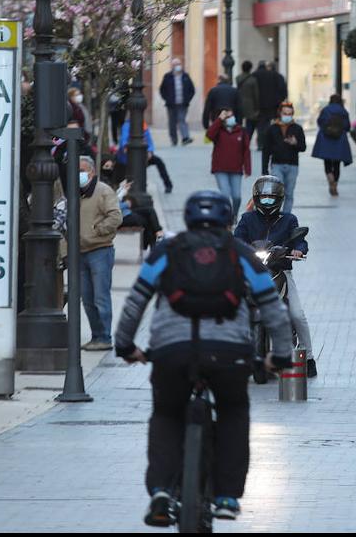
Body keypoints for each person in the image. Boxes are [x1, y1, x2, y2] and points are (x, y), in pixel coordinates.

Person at [114, 190, 294, 526]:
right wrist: (280, 355)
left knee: (167, 415)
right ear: (228, 220)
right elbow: (272, 306)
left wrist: (126, 346)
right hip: (231, 354)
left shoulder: (167, 251)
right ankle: (226, 495)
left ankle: (161, 493)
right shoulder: (240, 254)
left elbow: (136, 301)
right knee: (233, 413)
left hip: (171, 351)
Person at [234, 176, 316, 377]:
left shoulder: (289, 219)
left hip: (281, 272)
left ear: (279, 199)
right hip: (252, 273)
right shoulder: (247, 219)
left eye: (272, 198)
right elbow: (237, 239)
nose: (268, 201)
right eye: (264, 198)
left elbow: (300, 241)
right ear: (256, 198)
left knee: (297, 314)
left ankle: (309, 357)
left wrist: (298, 250)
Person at [68, 158, 121, 350]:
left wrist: (96, 231)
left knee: (100, 296)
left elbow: (115, 216)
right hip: (81, 252)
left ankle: (105, 337)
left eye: (81, 170)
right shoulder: (75, 193)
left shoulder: (103, 191)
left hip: (100, 250)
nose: (78, 174)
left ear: (90, 172)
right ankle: (96, 336)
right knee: (88, 299)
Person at [261, 102, 306, 213]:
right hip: (277, 165)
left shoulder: (297, 128)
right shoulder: (272, 129)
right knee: (277, 193)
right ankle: (275, 216)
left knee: (289, 193)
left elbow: (303, 147)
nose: (287, 115)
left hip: (292, 165)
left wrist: (295, 143)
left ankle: (286, 218)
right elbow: (266, 150)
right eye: (285, 113)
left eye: (289, 113)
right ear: (280, 113)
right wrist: (264, 169)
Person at [206, 108, 252, 213]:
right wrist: (219, 120)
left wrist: (247, 169)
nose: (230, 118)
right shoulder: (218, 130)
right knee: (225, 195)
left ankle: (234, 214)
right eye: (227, 116)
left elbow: (246, 150)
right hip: (220, 169)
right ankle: (227, 217)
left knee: (236, 197)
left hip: (236, 169)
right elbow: (209, 135)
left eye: (231, 116)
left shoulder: (241, 131)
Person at [117, 119, 174, 194]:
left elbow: (149, 140)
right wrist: (125, 147)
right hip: (127, 157)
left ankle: (168, 185)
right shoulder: (127, 125)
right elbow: (123, 139)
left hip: (142, 155)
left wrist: (150, 151)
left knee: (159, 162)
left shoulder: (143, 125)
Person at [312, 94, 352, 197]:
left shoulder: (325, 110)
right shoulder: (343, 111)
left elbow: (320, 122)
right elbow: (347, 126)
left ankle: (330, 180)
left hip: (326, 139)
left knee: (327, 163)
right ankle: (335, 183)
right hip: (339, 140)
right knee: (337, 164)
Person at [255, 62, 289, 173]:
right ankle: (276, 141)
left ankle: (262, 142)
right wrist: (280, 101)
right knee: (276, 124)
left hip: (263, 105)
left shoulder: (263, 77)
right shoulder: (278, 77)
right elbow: (283, 91)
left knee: (262, 125)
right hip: (275, 105)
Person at [160, 57, 196, 146]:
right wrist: (167, 98)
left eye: (179, 64)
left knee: (182, 120)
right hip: (171, 104)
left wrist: (188, 99)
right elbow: (162, 89)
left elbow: (192, 89)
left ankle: (185, 138)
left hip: (183, 104)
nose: (177, 66)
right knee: (172, 122)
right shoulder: (167, 76)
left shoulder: (185, 76)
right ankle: (174, 139)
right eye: (175, 64)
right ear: (172, 66)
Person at [235, 60, 259, 146]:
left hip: (239, 103)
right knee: (250, 124)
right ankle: (247, 140)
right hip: (250, 104)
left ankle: (239, 140)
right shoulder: (253, 80)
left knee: (239, 123)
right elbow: (256, 95)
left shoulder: (238, 78)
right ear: (250, 68)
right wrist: (257, 107)